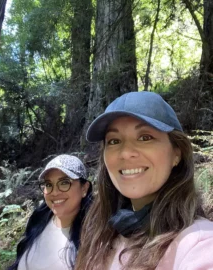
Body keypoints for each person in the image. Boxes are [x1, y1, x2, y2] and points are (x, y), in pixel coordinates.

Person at [75, 91, 213, 270]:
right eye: (114, 141)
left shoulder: (199, 244)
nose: (125, 152)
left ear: (176, 153)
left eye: (145, 138)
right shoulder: (102, 236)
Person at [8, 154, 92, 270]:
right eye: (48, 184)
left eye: (64, 183)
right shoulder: (38, 221)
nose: (55, 192)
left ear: (84, 188)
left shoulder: (95, 236)